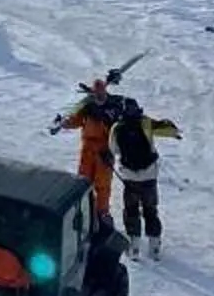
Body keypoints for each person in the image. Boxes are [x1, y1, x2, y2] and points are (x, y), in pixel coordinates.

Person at [108, 101, 184, 258]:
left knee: (131, 210)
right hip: (149, 176)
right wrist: (174, 131)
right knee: (150, 210)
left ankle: (134, 245)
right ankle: (154, 246)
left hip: (129, 177)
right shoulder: (145, 122)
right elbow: (166, 129)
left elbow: (113, 149)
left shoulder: (117, 127)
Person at [53, 79, 122, 219]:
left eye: (101, 93)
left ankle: (102, 213)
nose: (99, 96)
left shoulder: (113, 107)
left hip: (104, 150)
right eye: (97, 94)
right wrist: (64, 123)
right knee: (83, 180)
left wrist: (112, 150)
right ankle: (82, 210)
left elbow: (118, 130)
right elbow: (76, 120)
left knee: (102, 185)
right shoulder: (88, 107)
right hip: (88, 149)